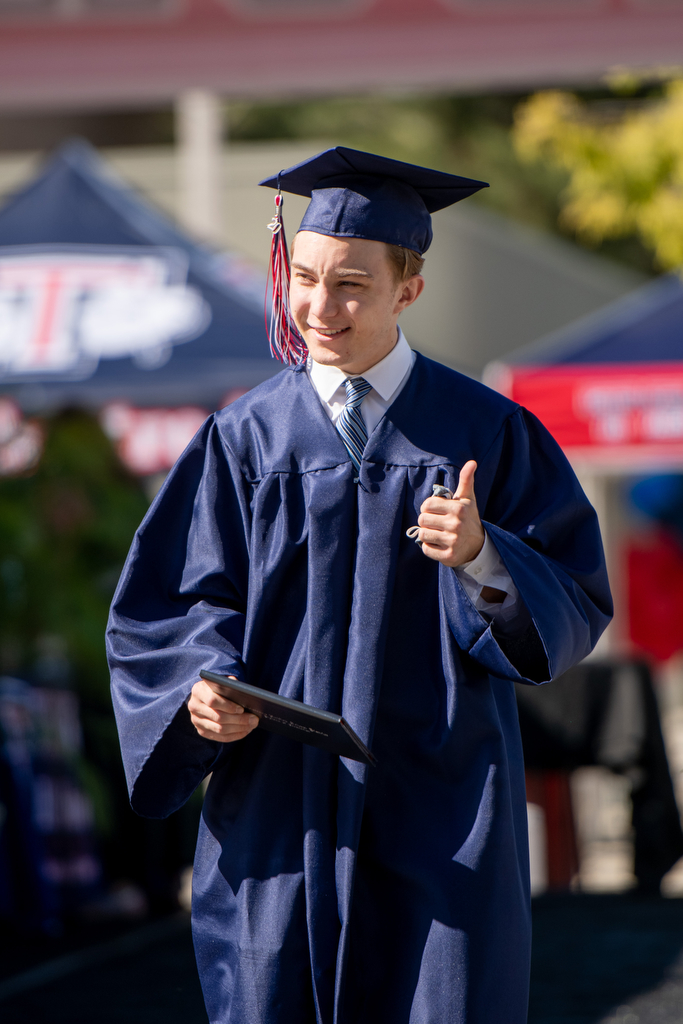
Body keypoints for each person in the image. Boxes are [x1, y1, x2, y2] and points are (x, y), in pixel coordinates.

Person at [107, 147, 612, 1024]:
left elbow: (572, 598)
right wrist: (200, 692)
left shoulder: (486, 433)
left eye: (350, 284)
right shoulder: (243, 440)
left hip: (438, 800)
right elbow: (171, 607)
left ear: (406, 290)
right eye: (305, 278)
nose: (319, 306)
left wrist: (486, 558)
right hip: (276, 806)